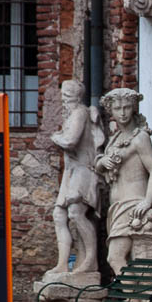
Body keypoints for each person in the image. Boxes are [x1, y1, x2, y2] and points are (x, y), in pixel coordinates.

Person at [95, 88, 152, 274]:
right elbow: (100, 167)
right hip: (117, 205)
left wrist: (148, 201)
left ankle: (133, 299)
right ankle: (133, 299)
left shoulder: (140, 138)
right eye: (118, 109)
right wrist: (102, 162)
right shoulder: (116, 138)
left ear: (133, 108)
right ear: (111, 111)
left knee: (116, 257)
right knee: (130, 259)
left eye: (127, 107)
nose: (123, 112)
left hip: (134, 205)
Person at [47, 80, 102, 274]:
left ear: (74, 97)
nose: (63, 101)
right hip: (71, 172)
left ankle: (90, 261)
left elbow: (70, 141)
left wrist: (55, 137)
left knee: (76, 213)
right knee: (59, 215)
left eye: (66, 97)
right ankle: (62, 264)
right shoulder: (72, 114)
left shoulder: (80, 113)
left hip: (83, 170)